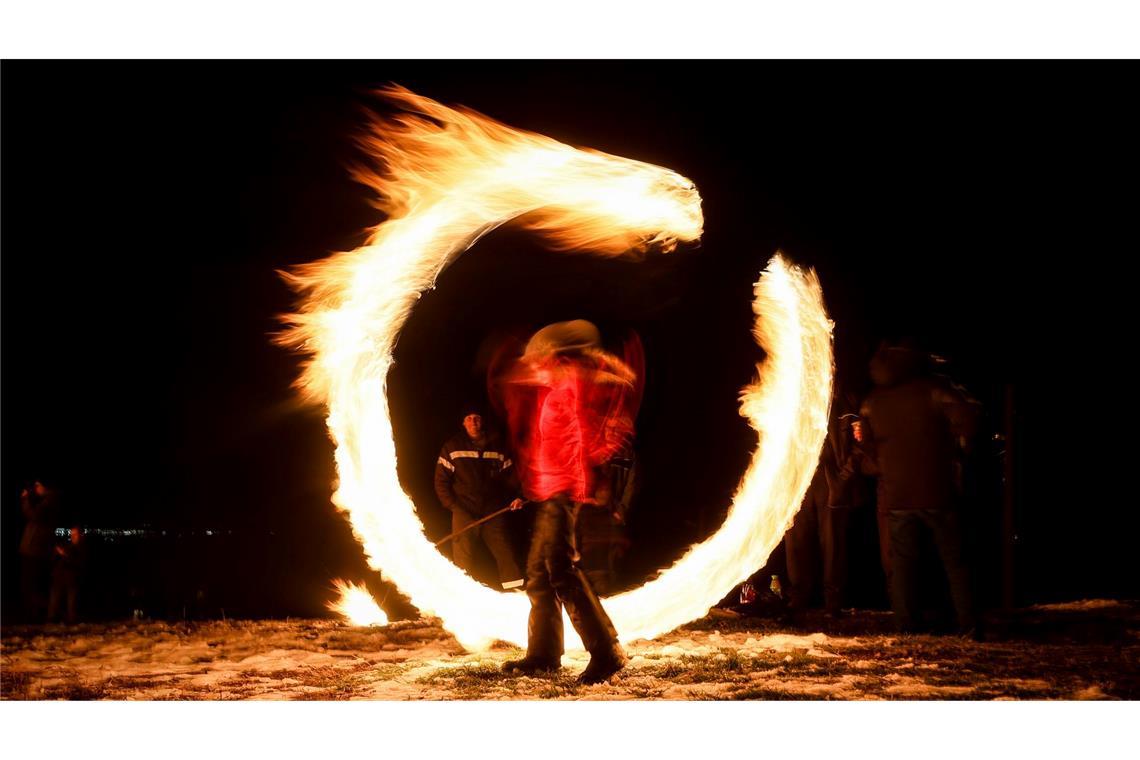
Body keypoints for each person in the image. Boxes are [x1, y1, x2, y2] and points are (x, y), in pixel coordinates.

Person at [491, 320, 643, 684]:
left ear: (560, 357)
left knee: (560, 570)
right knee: (539, 577)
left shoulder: (575, 385)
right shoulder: (558, 385)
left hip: (563, 492)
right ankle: (543, 654)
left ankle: (606, 651)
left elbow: (584, 438)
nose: (536, 363)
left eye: (543, 356)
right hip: (550, 492)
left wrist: (572, 482)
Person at [854, 340, 980, 635]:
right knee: (955, 561)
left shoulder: (873, 400)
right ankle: (969, 625)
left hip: (897, 493)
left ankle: (906, 625)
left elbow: (866, 445)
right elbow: (969, 420)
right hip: (937, 490)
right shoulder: (935, 389)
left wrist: (885, 464)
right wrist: (959, 449)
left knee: (903, 565)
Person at [784, 389, 864, 618]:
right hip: (797, 479)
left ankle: (833, 603)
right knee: (795, 540)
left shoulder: (846, 401)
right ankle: (798, 598)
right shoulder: (790, 395)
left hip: (830, 481)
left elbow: (860, 442)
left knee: (832, 543)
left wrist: (844, 476)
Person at [434, 406, 525, 591]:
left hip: (493, 510)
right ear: (463, 423)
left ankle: (516, 591)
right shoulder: (452, 447)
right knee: (463, 558)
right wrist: (454, 507)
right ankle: (461, 594)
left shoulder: (497, 447)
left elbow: (512, 477)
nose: (473, 422)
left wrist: (517, 497)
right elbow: (441, 482)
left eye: (477, 418)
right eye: (468, 418)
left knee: (505, 552)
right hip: (464, 509)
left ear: (482, 421)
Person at [19, 480, 60, 622]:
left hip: (34, 550)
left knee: (32, 585)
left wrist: (25, 499)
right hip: (32, 549)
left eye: (38, 485)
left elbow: (34, 515)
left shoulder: (50, 502)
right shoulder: (47, 501)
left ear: (45, 486)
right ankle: (37, 614)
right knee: (30, 585)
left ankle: (38, 615)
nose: (35, 489)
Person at [49, 525, 87, 624]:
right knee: (54, 600)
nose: (73, 536)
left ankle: (72, 620)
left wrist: (65, 554)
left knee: (72, 602)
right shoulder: (67, 545)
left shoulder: (83, 547)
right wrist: (57, 553)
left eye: (75, 534)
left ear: (81, 535)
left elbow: (79, 562)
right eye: (72, 534)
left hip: (72, 578)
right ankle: (52, 619)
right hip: (59, 577)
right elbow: (55, 559)